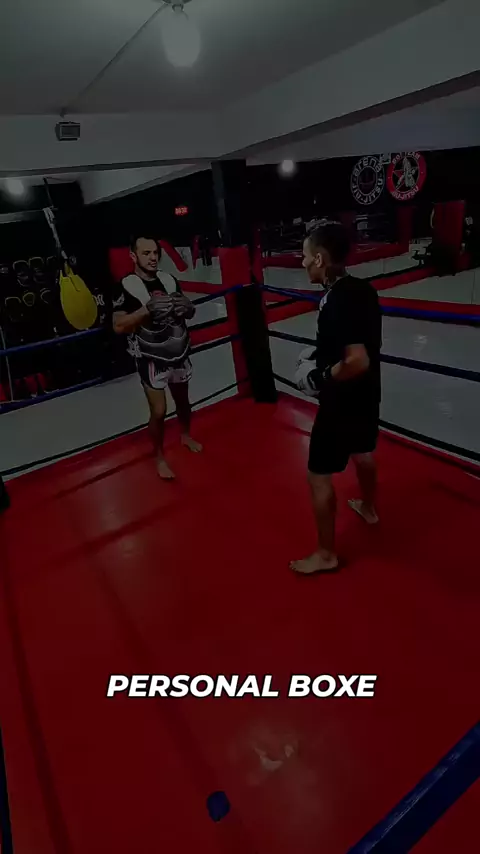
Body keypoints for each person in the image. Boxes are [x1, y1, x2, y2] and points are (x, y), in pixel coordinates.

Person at [291, 221, 382, 575]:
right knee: (362, 450)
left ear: (319, 259)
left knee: (318, 476)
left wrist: (320, 377)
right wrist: (323, 353)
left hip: (341, 401)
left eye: (304, 256)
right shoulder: (363, 289)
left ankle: (326, 554)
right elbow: (357, 341)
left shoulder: (335, 301)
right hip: (367, 395)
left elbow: (357, 359)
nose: (302, 263)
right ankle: (369, 508)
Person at [112, 235, 202, 480]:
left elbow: (187, 311)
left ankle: (185, 435)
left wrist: (189, 308)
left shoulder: (169, 279)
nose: (153, 258)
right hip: (150, 356)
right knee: (159, 411)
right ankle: (159, 457)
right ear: (133, 256)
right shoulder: (125, 286)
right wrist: (146, 310)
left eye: (155, 253)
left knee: (183, 401)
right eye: (146, 253)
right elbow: (118, 325)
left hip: (178, 352)